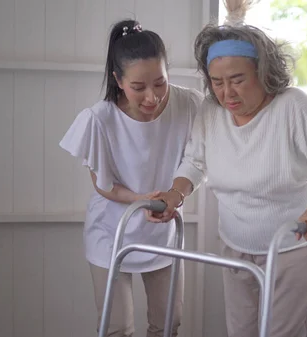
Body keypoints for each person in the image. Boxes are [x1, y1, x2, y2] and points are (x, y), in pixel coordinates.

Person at [146, 1, 307, 336]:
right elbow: (195, 161)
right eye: (217, 81)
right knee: (240, 332)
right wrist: (175, 194)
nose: (227, 92)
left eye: (238, 79)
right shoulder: (211, 112)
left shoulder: (293, 106)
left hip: (291, 247)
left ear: (262, 71)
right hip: (236, 245)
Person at [59, 19, 203, 337]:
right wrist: (142, 201)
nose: (152, 97)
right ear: (118, 80)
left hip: (162, 232)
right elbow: (103, 184)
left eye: (160, 83)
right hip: (112, 234)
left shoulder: (189, 104)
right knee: (116, 328)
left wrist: (173, 197)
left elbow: (199, 160)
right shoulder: (99, 119)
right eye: (138, 87)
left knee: (168, 323)